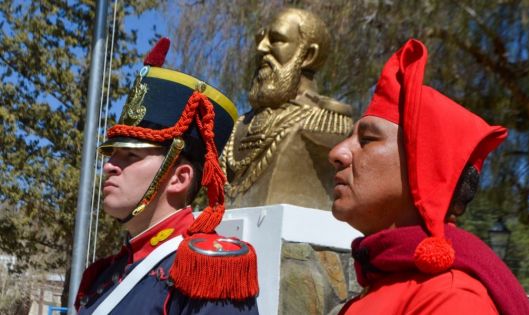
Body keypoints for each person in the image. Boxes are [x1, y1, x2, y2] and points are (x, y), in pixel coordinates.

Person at [329, 39, 529, 314]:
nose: (338, 153)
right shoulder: (384, 289)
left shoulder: (451, 299)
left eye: (366, 140)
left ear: (423, 168)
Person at [74, 38, 259, 314]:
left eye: (131, 156)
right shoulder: (105, 275)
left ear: (179, 178)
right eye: (112, 155)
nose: (110, 166)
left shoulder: (208, 273)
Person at [222, 8, 353, 210]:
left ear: (309, 55)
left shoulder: (325, 122)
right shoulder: (240, 125)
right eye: (260, 38)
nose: (261, 48)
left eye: (276, 40)